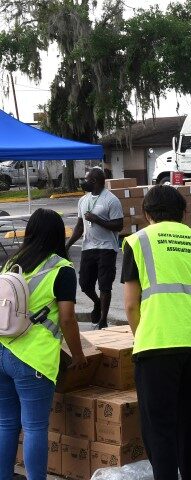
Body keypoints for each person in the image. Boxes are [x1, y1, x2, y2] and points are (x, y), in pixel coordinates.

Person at [121, 185, 191, 480]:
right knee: (189, 425)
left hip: (157, 343)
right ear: (184, 213)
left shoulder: (138, 242)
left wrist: (143, 335)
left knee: (159, 428)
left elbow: (130, 305)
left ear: (147, 213)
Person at [0, 208, 86, 480]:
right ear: (58, 235)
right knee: (35, 427)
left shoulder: (12, 262)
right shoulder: (61, 268)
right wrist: (78, 355)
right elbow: (68, 318)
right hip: (32, 357)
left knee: (5, 423)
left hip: (2, 349)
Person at [66, 167, 123, 329]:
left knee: (105, 284)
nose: (83, 182)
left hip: (107, 248)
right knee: (85, 284)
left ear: (95, 181)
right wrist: (68, 244)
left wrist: (96, 219)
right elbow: (79, 226)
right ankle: (97, 302)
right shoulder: (83, 201)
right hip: (88, 247)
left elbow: (119, 225)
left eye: (86, 179)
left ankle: (103, 319)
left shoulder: (111, 200)